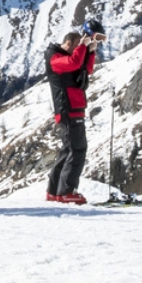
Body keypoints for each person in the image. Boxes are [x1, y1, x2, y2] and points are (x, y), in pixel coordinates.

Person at [45, 21, 103, 204]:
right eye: (78, 45)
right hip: (68, 109)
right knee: (77, 149)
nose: (80, 49)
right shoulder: (55, 58)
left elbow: (86, 69)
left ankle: (54, 191)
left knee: (68, 149)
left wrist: (90, 51)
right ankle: (66, 191)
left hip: (73, 109)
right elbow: (74, 62)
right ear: (69, 43)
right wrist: (83, 47)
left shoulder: (67, 57)